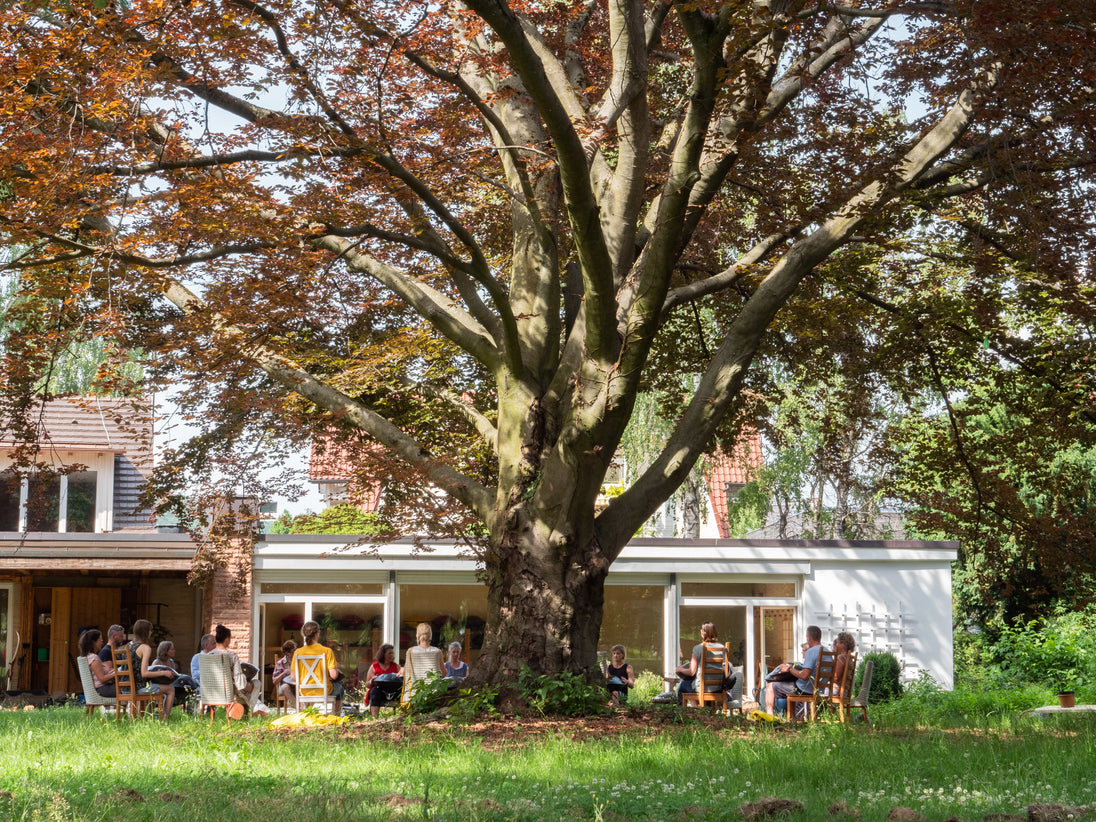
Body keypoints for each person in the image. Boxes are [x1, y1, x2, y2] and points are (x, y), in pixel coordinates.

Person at [765, 625, 824, 717]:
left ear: (809, 638)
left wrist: (789, 669)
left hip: (807, 690)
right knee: (791, 684)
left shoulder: (811, 652)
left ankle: (770, 717)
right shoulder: (827, 652)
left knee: (771, 686)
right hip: (820, 690)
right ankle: (795, 718)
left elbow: (804, 676)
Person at [211, 623, 266, 717]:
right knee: (256, 683)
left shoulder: (208, 656)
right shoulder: (232, 656)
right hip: (229, 689)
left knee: (243, 689)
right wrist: (247, 684)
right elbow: (238, 678)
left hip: (212, 689)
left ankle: (242, 712)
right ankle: (250, 712)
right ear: (227, 639)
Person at [291, 620, 343, 714]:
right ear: (317, 634)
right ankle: (336, 716)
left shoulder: (298, 652)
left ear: (304, 634)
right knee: (340, 689)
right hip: (324, 691)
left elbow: (293, 677)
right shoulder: (327, 651)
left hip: (305, 691)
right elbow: (334, 675)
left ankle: (306, 714)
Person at [131, 619, 175, 719]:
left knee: (153, 686)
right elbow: (144, 673)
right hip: (139, 688)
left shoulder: (129, 646)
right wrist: (164, 672)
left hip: (127, 687)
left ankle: (146, 717)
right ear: (145, 632)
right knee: (171, 689)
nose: (151, 632)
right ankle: (165, 720)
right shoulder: (145, 648)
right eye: (150, 630)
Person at [674, 622, 722, 705]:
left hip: (702, 688)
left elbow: (691, 672)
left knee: (682, 686)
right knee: (691, 684)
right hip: (718, 687)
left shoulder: (698, 648)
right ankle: (700, 710)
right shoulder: (722, 648)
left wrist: (680, 669)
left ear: (702, 633)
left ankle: (681, 713)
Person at [402, 622, 443, 701]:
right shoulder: (437, 651)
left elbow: (406, 672)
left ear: (417, 635)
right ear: (430, 635)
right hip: (433, 695)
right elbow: (443, 673)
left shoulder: (410, 651)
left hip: (415, 696)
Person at [364, 643, 402, 718]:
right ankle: (375, 718)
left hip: (393, 692)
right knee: (374, 691)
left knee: (403, 692)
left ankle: (402, 716)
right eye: (389, 653)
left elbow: (402, 680)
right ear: (383, 654)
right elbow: (367, 684)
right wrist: (372, 681)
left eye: (392, 653)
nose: (392, 655)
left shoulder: (396, 666)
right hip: (380, 692)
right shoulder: (374, 666)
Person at [79, 629, 116, 698]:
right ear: (94, 642)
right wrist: (117, 674)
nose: (102, 642)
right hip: (103, 689)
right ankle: (135, 708)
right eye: (100, 640)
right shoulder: (93, 658)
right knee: (130, 688)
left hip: (103, 688)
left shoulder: (89, 656)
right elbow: (102, 678)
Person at [830, 632, 857, 699]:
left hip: (838, 693)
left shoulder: (841, 658)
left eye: (837, 643)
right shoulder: (849, 658)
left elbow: (835, 678)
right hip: (846, 693)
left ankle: (809, 709)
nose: (836, 645)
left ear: (842, 644)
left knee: (814, 692)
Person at [273, 639, 297, 706]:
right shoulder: (281, 663)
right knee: (286, 687)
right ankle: (298, 708)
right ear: (286, 653)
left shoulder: (298, 661)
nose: (294, 653)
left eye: (295, 651)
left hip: (297, 684)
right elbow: (274, 681)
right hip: (285, 686)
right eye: (292, 652)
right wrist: (284, 673)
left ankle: (305, 707)